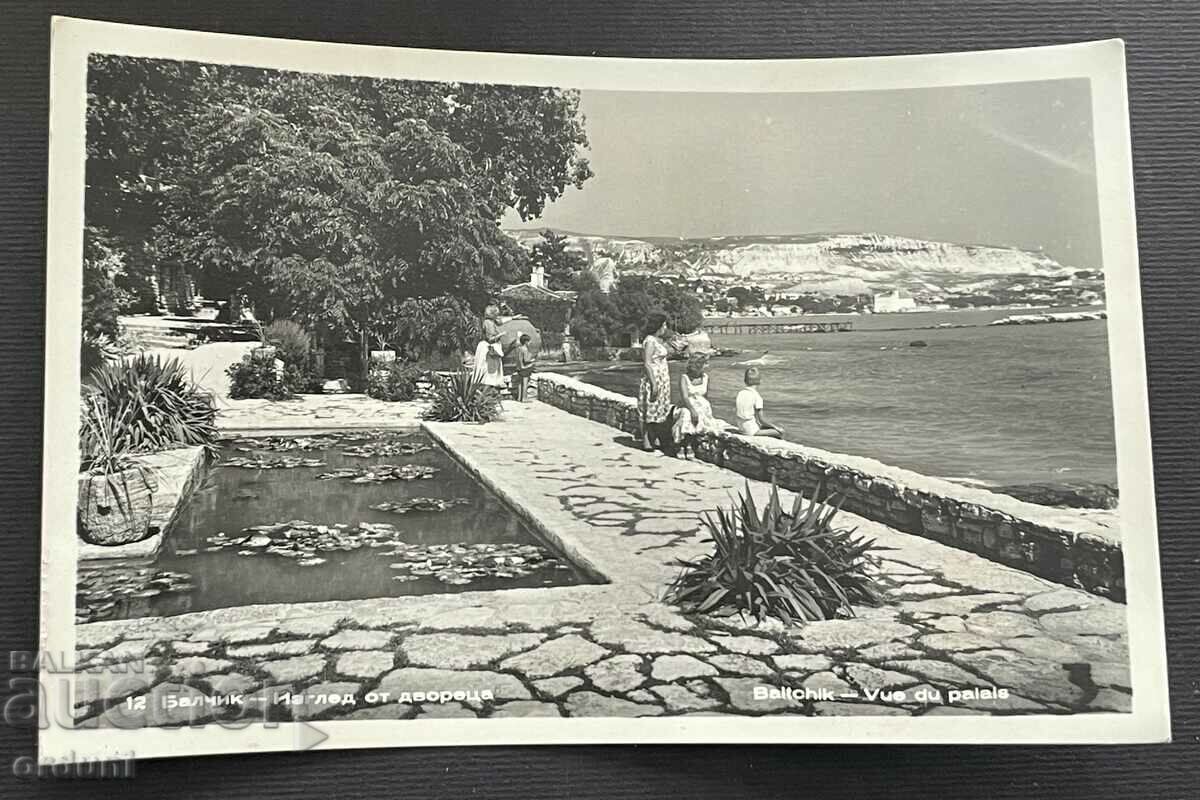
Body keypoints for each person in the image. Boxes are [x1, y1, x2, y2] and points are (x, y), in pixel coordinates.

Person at [672, 351, 721, 457]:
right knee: (686, 414)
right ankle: (682, 444)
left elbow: (705, 396)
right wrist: (692, 409)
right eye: (703, 364)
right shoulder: (684, 378)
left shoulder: (705, 378)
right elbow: (684, 397)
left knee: (699, 414)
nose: (705, 367)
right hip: (686, 405)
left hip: (701, 406)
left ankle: (688, 445)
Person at [637, 312, 673, 451]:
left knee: (658, 408)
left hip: (662, 378)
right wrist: (653, 384)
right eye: (664, 325)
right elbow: (647, 363)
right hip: (653, 379)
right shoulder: (650, 341)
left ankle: (655, 437)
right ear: (658, 326)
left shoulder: (658, 340)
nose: (665, 327)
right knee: (648, 409)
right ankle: (646, 439)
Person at [735, 367, 785, 438]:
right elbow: (761, 420)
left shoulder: (741, 393)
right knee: (780, 432)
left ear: (745, 381)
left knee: (767, 427)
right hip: (751, 431)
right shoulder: (757, 397)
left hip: (741, 427)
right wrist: (775, 427)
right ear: (759, 381)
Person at [474, 304, 509, 392]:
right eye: (496, 314)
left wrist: (514, 318)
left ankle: (486, 396)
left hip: (487, 347)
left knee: (490, 373)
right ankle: (484, 396)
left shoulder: (490, 321)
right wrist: (501, 334)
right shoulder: (489, 323)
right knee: (489, 374)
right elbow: (490, 339)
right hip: (489, 349)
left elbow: (501, 321)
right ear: (493, 314)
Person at [513, 333, 535, 401]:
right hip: (525, 368)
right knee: (525, 384)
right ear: (526, 342)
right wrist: (532, 360)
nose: (530, 343)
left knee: (520, 383)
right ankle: (524, 398)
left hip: (519, 368)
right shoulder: (525, 349)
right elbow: (526, 360)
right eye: (529, 341)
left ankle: (519, 397)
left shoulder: (519, 348)